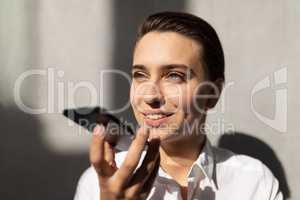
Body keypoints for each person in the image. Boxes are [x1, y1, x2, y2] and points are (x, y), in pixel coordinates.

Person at [74, 11, 283, 200]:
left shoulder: (253, 181)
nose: (150, 95)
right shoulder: (98, 185)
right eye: (140, 75)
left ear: (212, 93)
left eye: (174, 76)